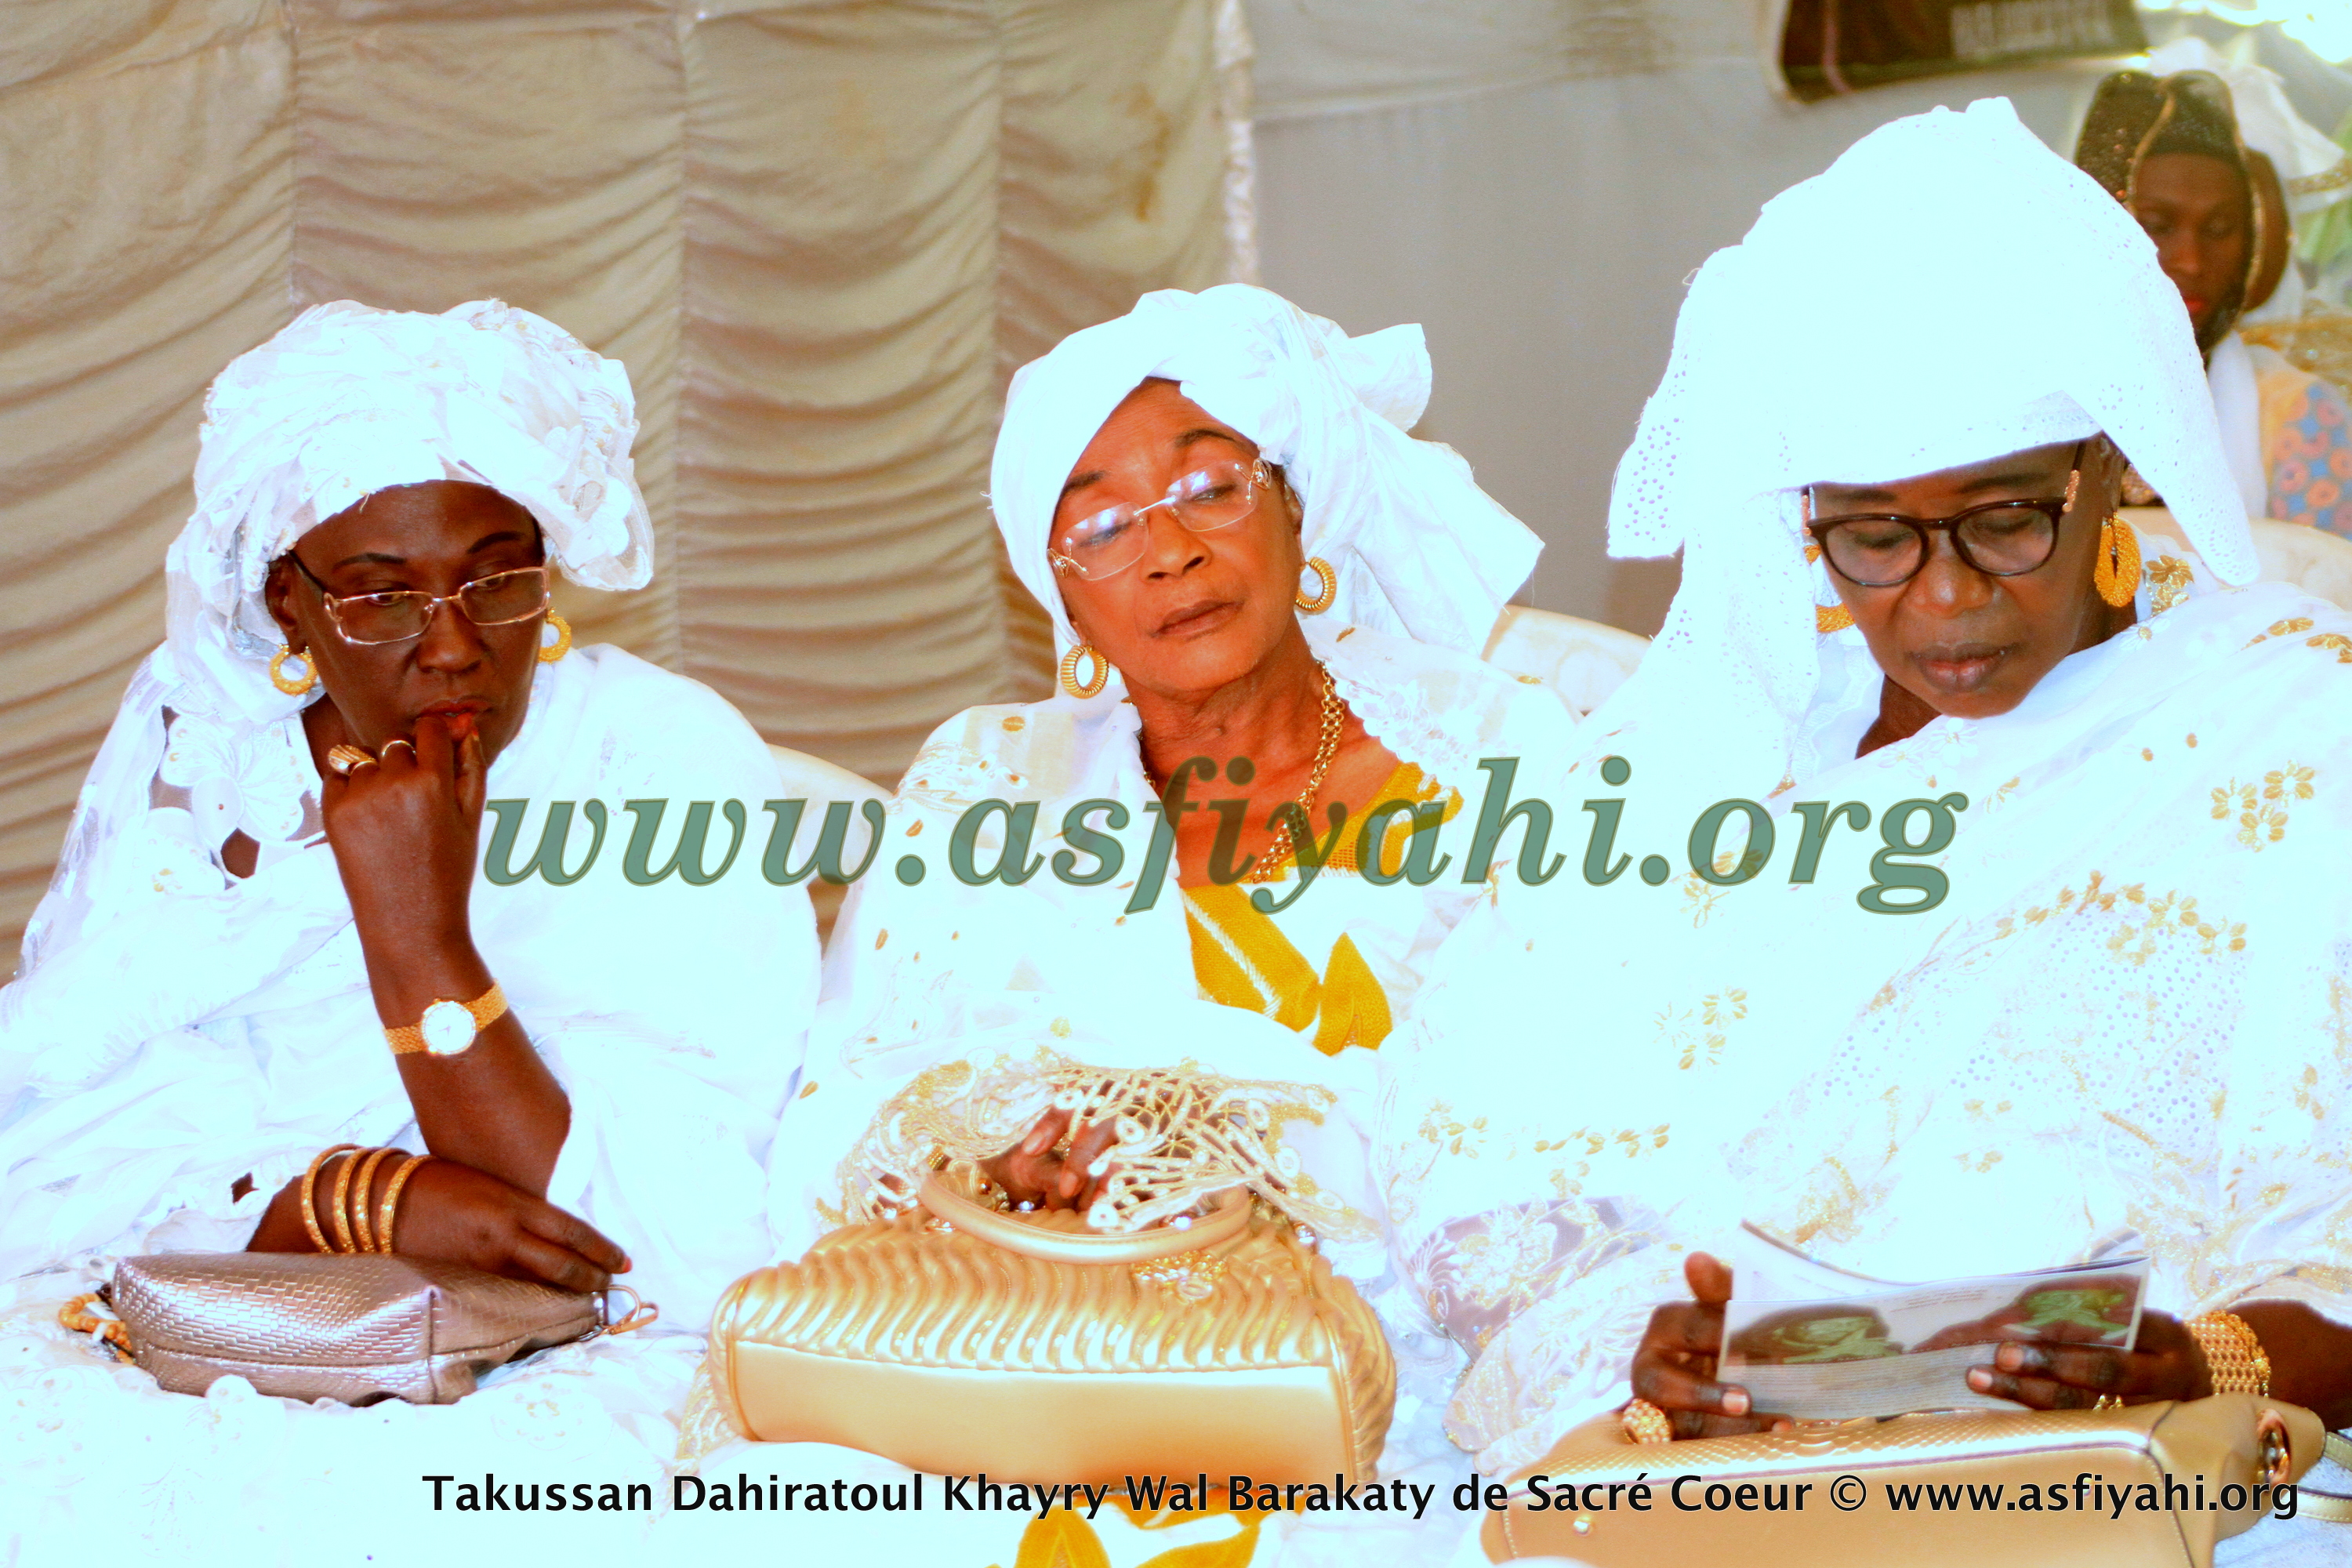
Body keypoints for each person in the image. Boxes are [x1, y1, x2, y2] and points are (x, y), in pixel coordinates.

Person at [1382, 100, 2352, 1564]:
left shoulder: (2287, 729)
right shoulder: (1718, 762)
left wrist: (2202, 1357)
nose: (1944, 598)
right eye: (1876, 536)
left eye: (2004, 520)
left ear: (2113, 464)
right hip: (1749, 1495)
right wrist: (1655, 1361)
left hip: (2134, 1492)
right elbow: (1486, 1177)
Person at [688, 285, 1579, 1565]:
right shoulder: (990, 779)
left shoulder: (1494, 752)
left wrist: (1228, 1161)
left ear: (1296, 509)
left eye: (1210, 490)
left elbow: (1574, 1106)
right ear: (1062, 595)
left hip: (1350, 1373)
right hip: (1015, 1347)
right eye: (1101, 525)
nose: (1168, 553)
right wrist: (994, 1154)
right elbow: (838, 1107)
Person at [0, 300, 815, 1555]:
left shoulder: (655, 758)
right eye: (382, 596)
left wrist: (417, 940)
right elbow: (64, 1153)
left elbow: (669, 1239)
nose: (452, 648)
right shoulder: (209, 754)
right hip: (217, 1314)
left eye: (497, 579)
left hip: (571, 1353)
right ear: (288, 603)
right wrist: (344, 1199)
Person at [2078, 41, 2352, 535]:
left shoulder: (2293, 417)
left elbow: (2327, 578)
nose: (2191, 260)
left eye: (2221, 228)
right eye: (2157, 225)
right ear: (2098, 228)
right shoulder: (2035, 402)